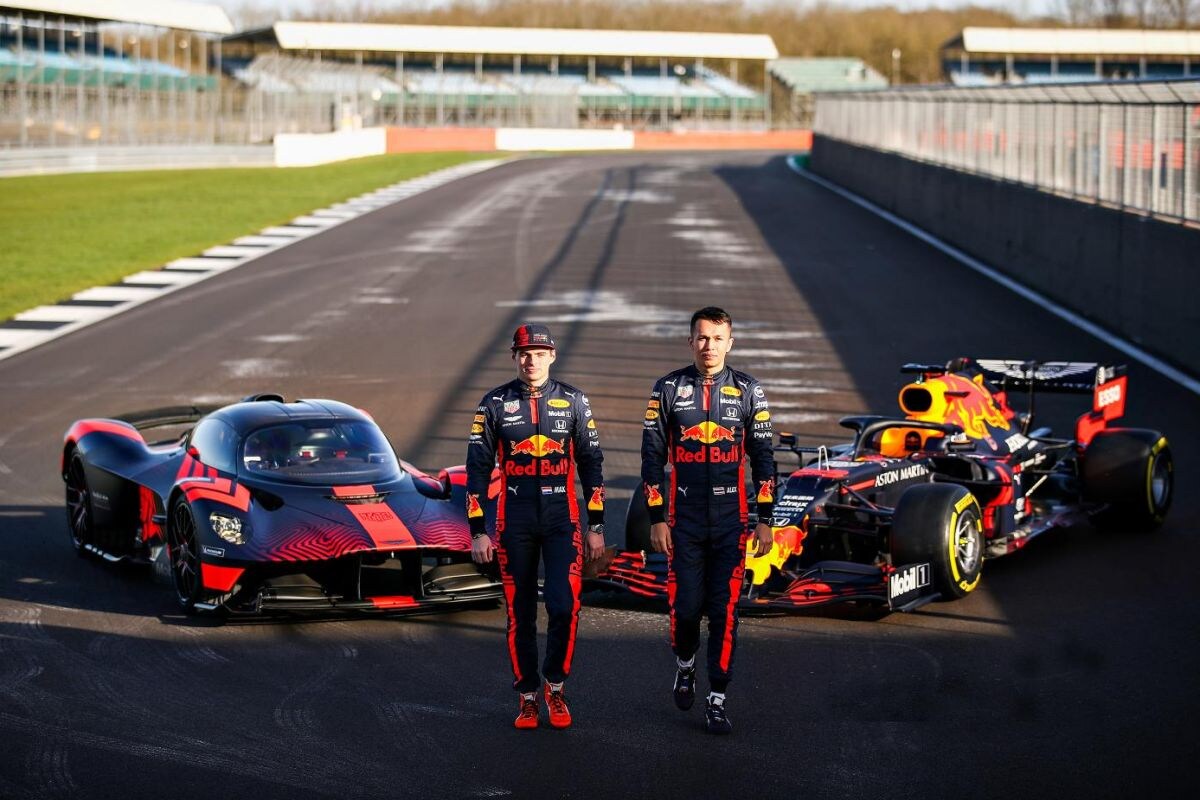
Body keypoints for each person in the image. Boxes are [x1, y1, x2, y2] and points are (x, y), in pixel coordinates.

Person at [641, 306, 775, 735]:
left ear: (730, 343)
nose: (709, 346)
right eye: (701, 338)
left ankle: (717, 698)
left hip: (733, 522)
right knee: (685, 609)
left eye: (717, 339)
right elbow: (651, 458)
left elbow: (764, 459)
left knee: (725, 612)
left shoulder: (750, 391)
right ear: (690, 341)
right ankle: (685, 664)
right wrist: (657, 518)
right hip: (684, 522)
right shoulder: (667, 388)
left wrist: (765, 519)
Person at [467, 323, 606, 730]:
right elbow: (477, 471)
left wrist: (596, 524)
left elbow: (592, 465)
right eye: (524, 353)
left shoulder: (575, 401)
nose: (532, 360)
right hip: (515, 520)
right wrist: (478, 530)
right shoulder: (493, 403)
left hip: (564, 519)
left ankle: (556, 686)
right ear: (514, 357)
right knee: (520, 613)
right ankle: (528, 696)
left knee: (564, 605)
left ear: (552, 356)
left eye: (539, 352)